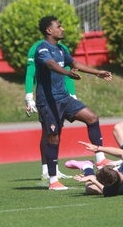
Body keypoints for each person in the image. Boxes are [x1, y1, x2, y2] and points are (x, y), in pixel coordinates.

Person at [34, 15, 122, 190]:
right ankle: (53, 181)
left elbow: (74, 63)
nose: (62, 29)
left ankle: (100, 159)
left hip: (64, 98)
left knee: (92, 117)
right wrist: (67, 73)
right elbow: (51, 65)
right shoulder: (42, 49)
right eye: (59, 26)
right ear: (49, 30)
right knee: (54, 137)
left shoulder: (60, 49)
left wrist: (97, 72)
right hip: (48, 102)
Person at [65, 103, 123, 196]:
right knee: (119, 128)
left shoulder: (114, 190)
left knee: (90, 188)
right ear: (116, 170)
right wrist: (99, 148)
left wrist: (92, 179)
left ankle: (87, 166)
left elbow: (104, 189)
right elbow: (122, 153)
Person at [25, 39, 75, 180]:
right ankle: (46, 170)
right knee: (47, 132)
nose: (61, 29)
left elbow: (67, 72)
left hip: (61, 98)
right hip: (45, 99)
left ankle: (55, 169)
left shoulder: (62, 48)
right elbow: (30, 73)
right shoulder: (36, 48)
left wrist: (73, 94)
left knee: (57, 132)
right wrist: (29, 96)